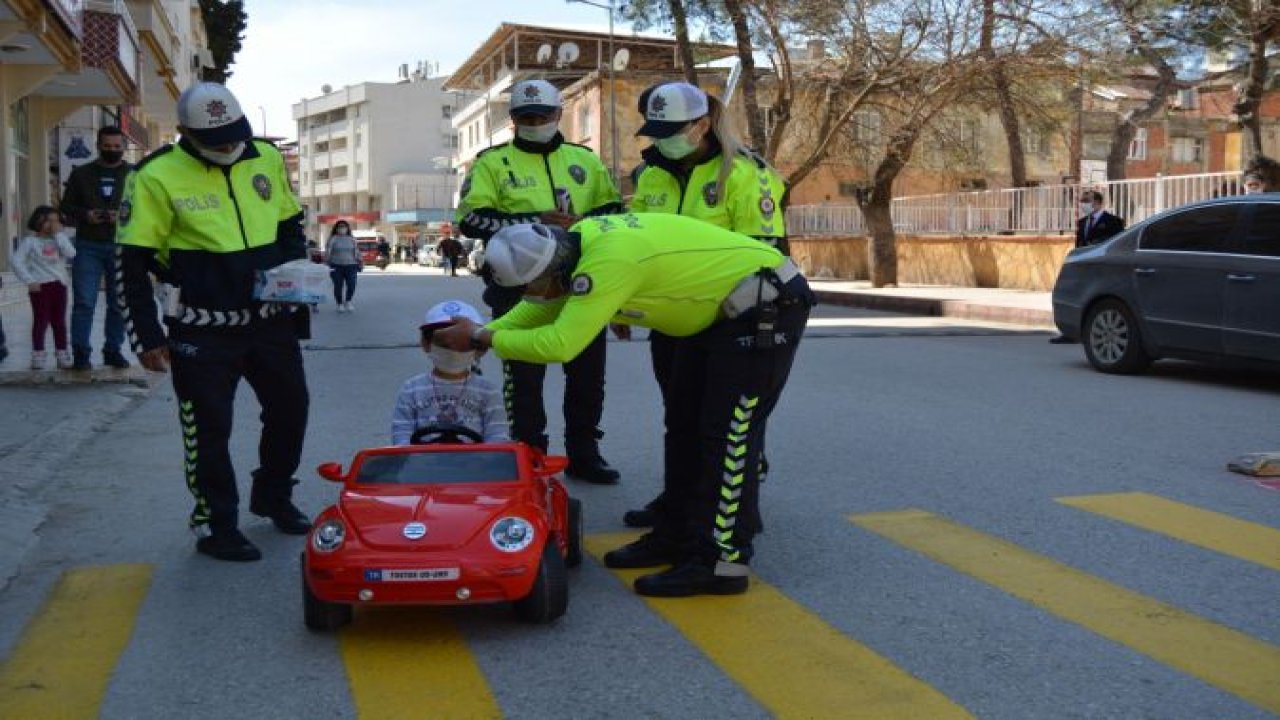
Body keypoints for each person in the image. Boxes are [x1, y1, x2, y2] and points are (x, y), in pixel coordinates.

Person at [434, 214, 815, 597]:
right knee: (683, 426)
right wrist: (483, 332)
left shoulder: (607, 262)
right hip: (716, 314)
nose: (531, 293)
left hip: (765, 306)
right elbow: (538, 308)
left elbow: (560, 344)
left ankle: (720, 562)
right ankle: (677, 532)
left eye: (532, 283)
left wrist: (483, 337)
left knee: (726, 436)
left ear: (552, 267)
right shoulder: (572, 248)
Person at [115, 81, 312, 562]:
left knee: (291, 410)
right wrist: (146, 335)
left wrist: (295, 280)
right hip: (201, 328)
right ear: (184, 131)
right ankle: (216, 523)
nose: (228, 145)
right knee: (208, 430)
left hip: (269, 322)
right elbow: (130, 263)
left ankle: (274, 494)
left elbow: (289, 226)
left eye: (233, 134)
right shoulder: (154, 176)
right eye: (215, 138)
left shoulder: (264, 157)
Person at [625, 80, 790, 529]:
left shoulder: (744, 173)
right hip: (671, 318)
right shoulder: (653, 174)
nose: (662, 140)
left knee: (721, 425)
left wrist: (723, 319)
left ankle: (727, 511)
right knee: (679, 417)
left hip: (727, 319)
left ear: (701, 125)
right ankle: (679, 502)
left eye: (671, 130)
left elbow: (764, 257)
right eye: (655, 131)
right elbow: (638, 242)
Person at [455, 78, 625, 484]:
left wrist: (582, 224)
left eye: (543, 115)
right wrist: (535, 223)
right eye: (525, 117)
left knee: (587, 376)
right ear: (513, 120)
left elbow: (616, 215)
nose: (535, 122)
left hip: (580, 282)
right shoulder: (491, 162)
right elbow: (471, 220)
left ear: (558, 114)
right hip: (517, 287)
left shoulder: (586, 160)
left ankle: (585, 452)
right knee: (524, 378)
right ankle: (529, 455)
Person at [60, 126, 133, 371]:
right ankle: (81, 353)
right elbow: (66, 207)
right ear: (98, 145)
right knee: (84, 302)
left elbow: (147, 207)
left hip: (122, 246)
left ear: (124, 147)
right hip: (87, 245)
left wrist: (121, 216)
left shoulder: (135, 174)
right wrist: (86, 215)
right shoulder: (81, 174)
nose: (112, 150)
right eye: (107, 146)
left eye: (117, 147)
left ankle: (113, 351)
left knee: (118, 302)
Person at [391, 300, 509, 445]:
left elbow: (498, 436)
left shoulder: (488, 392)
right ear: (426, 344)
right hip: (423, 464)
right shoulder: (411, 389)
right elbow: (401, 434)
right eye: (445, 344)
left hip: (474, 464)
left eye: (461, 346)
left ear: (479, 349)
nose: (453, 351)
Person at [1049, 190, 1127, 344]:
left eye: (1087, 200)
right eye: (1082, 200)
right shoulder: (1083, 222)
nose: (1084, 204)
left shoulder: (1113, 221)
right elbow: (1079, 246)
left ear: (1098, 203)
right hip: (1084, 267)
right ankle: (1070, 332)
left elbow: (1117, 244)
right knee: (1074, 298)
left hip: (1103, 268)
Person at [12, 207, 77, 370]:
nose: (52, 225)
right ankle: (38, 353)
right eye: (48, 221)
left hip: (59, 285)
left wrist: (59, 235)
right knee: (41, 321)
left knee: (59, 321)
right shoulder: (30, 242)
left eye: (56, 221)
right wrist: (29, 280)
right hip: (40, 286)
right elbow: (16, 261)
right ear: (38, 221)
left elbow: (71, 253)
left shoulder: (59, 240)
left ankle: (62, 353)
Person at [325, 220, 361, 312]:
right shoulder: (333, 238)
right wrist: (326, 262)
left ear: (347, 228)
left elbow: (357, 251)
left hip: (351, 265)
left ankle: (348, 301)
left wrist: (360, 261)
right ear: (336, 228)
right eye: (340, 227)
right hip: (336, 265)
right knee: (338, 285)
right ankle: (339, 304)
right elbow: (328, 251)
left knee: (352, 284)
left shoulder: (352, 239)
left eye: (344, 226)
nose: (342, 228)